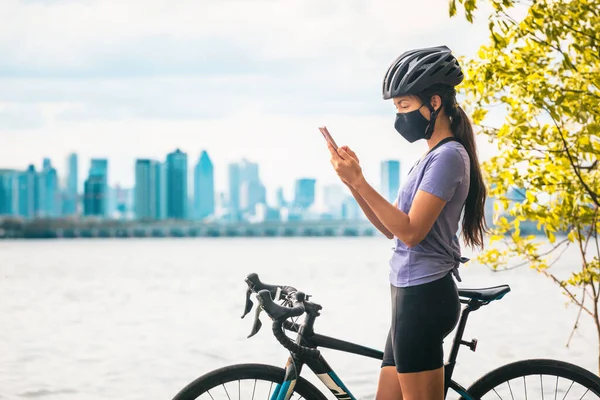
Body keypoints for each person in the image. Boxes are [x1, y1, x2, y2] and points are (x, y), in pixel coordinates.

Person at [327, 45, 488, 400]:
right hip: (406, 297)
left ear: (433, 103)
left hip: (425, 297)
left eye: (404, 106)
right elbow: (392, 228)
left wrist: (359, 181)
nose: (399, 117)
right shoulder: (429, 157)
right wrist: (353, 183)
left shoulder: (448, 156)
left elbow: (412, 233)